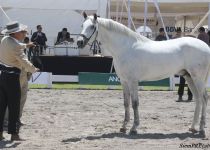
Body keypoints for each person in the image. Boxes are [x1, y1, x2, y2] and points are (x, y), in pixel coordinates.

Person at [0, 21, 39, 141]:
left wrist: (27, 45)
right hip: (12, 78)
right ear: (16, 33)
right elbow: (24, 61)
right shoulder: (16, 45)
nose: (25, 33)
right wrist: (33, 69)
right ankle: (14, 134)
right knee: (14, 106)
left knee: (1, 106)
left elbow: (16, 45)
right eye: (22, 31)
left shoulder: (5, 40)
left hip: (2, 76)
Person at [174, 28, 193, 102]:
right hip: (185, 66)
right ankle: (184, 96)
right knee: (186, 82)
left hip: (186, 66)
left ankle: (187, 96)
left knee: (188, 82)